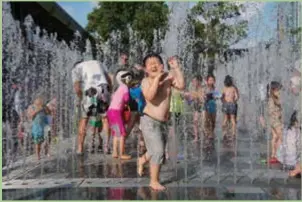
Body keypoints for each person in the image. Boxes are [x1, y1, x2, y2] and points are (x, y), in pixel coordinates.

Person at [137, 53, 185, 191]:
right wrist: (158, 78)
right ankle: (154, 181)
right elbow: (150, 96)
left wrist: (176, 69)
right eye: (150, 64)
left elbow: (181, 86)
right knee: (157, 151)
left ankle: (142, 160)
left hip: (163, 122)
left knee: (158, 151)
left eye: (156, 63)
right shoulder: (145, 81)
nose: (153, 65)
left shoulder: (168, 78)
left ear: (162, 65)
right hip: (149, 121)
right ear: (145, 69)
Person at [72, 60, 110, 155]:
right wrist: (110, 92)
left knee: (84, 119)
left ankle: (80, 148)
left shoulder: (75, 69)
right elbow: (108, 79)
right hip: (103, 88)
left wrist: (81, 98)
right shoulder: (98, 62)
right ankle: (106, 147)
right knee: (105, 119)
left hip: (90, 91)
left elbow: (77, 88)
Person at [107, 69, 133, 160]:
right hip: (116, 112)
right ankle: (122, 153)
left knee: (116, 132)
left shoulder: (118, 88)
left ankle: (115, 152)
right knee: (122, 133)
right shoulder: (125, 87)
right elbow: (126, 99)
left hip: (110, 111)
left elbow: (113, 98)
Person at [27, 96, 51, 160]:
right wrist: (37, 110)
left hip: (45, 126)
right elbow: (30, 117)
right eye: (39, 101)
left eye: (41, 101)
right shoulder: (32, 107)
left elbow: (49, 113)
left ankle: (46, 152)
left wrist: (45, 108)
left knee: (48, 140)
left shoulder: (44, 107)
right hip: (37, 127)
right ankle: (38, 155)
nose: (40, 102)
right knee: (38, 142)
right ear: (35, 101)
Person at [267, 81, 283, 164]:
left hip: (272, 121)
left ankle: (273, 155)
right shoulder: (273, 100)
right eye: (278, 90)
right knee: (282, 137)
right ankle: (278, 155)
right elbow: (272, 111)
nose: (280, 92)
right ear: (273, 90)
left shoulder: (272, 99)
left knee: (275, 137)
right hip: (276, 121)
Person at [187, 75, 204, 142]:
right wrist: (188, 98)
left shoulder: (202, 88)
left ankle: (203, 136)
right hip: (196, 108)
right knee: (195, 122)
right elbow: (190, 99)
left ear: (198, 82)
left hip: (203, 108)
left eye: (195, 81)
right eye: (193, 81)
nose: (193, 82)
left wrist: (196, 97)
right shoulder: (193, 89)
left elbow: (202, 99)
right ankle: (196, 137)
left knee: (203, 123)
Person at [221, 75, 239, 140]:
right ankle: (233, 134)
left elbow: (222, 97)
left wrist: (223, 102)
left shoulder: (224, 88)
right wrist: (234, 101)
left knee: (225, 120)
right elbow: (237, 97)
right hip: (232, 104)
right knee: (233, 120)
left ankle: (224, 133)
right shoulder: (234, 88)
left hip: (225, 104)